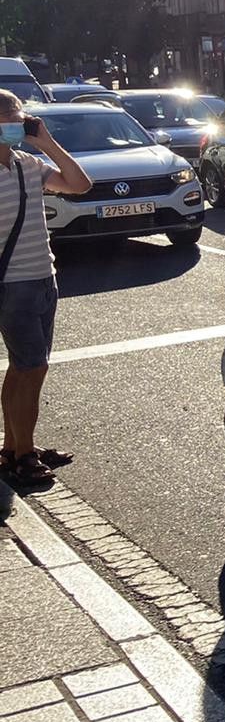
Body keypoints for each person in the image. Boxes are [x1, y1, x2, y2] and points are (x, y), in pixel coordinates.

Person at [0, 93, 91, 487]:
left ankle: (13, 445)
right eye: (8, 118)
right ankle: (24, 453)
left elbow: (79, 184)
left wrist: (48, 143)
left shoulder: (28, 163)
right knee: (33, 367)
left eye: (18, 117)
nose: (16, 124)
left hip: (43, 277)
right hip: (10, 285)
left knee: (23, 367)